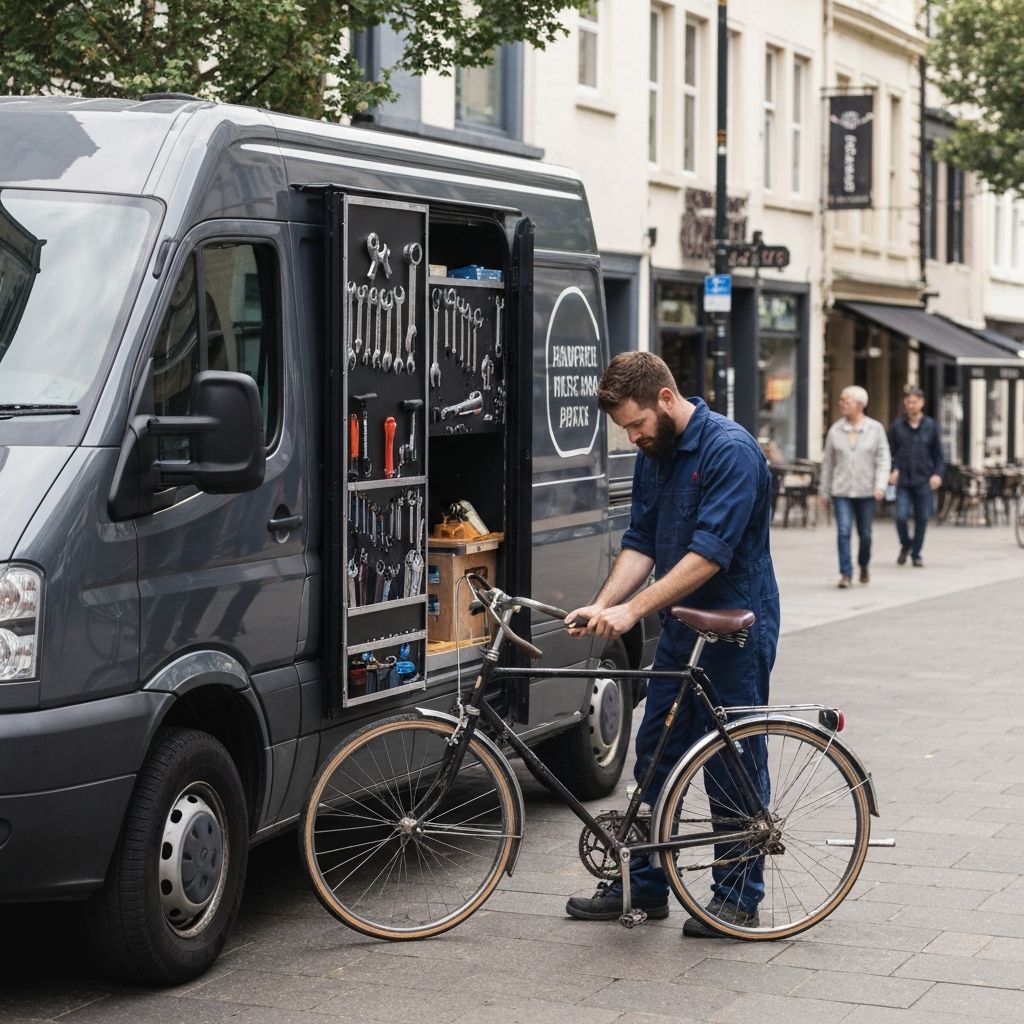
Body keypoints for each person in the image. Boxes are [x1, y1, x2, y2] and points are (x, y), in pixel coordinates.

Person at [563, 351, 779, 938]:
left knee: (728, 758)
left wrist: (635, 610)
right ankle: (643, 883)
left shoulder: (729, 451)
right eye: (625, 431)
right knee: (656, 748)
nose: (632, 438)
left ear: (665, 398)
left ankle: (737, 897)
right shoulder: (654, 454)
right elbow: (641, 541)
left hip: (735, 624)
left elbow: (709, 555)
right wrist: (608, 605)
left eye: (636, 425)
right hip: (681, 625)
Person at [819, 385, 891, 588]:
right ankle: (846, 574)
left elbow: (883, 459)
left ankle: (864, 564)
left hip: (866, 490)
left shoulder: (875, 429)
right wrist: (824, 491)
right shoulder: (835, 430)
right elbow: (828, 463)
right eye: (841, 401)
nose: (842, 404)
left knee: (865, 534)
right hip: (841, 490)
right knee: (843, 531)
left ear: (860, 405)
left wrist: (880, 485)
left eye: (846, 401)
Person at [888, 385, 944, 567]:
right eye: (908, 402)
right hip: (903, 479)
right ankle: (906, 544)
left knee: (922, 518)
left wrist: (937, 474)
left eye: (914, 402)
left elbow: (938, 454)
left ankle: (916, 553)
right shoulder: (897, 426)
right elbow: (889, 452)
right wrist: (893, 469)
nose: (911, 405)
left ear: (922, 403)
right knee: (901, 516)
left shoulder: (930, 426)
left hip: (923, 478)